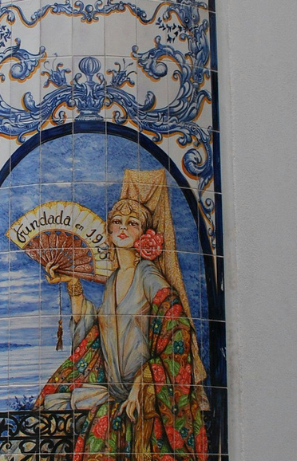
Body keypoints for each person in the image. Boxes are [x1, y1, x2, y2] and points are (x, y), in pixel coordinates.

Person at [35, 170, 208, 461]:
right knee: (54, 404)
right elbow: (95, 330)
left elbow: (175, 325)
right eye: (117, 222)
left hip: (144, 392)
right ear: (108, 229)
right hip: (115, 392)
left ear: (146, 234)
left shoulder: (148, 274)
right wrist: (72, 285)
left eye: (133, 223)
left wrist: (144, 382)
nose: (123, 227)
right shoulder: (114, 279)